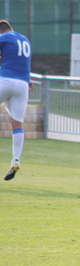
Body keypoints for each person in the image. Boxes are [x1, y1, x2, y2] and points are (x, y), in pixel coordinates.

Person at [0, 20, 32, 181]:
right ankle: (16, 159)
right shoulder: (25, 40)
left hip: (5, 80)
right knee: (17, 125)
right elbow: (22, 63)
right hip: (23, 85)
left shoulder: (3, 38)